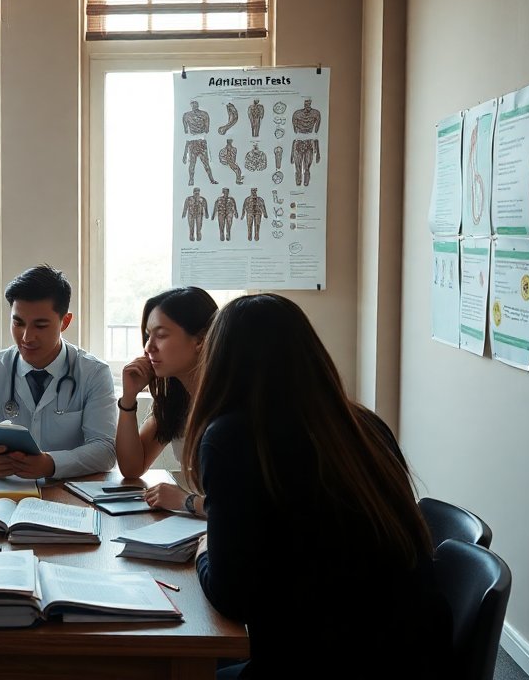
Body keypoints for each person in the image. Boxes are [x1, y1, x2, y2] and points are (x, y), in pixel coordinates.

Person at [182, 294, 450, 678]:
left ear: (220, 362)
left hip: (319, 659)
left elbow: (232, 596)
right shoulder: (363, 424)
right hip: (413, 653)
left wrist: (204, 551)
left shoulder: (231, 437)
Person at [0, 265, 115, 479]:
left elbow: (105, 450)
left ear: (65, 322)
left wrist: (51, 464)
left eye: (40, 325)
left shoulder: (94, 373)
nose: (26, 337)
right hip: (6, 494)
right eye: (18, 323)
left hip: (68, 492)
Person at [116, 287, 217, 515]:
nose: (148, 347)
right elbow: (132, 468)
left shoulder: (227, 402)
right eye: (147, 336)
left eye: (160, 335)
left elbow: (244, 505)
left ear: (200, 340)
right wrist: (129, 397)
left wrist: (185, 500)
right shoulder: (176, 398)